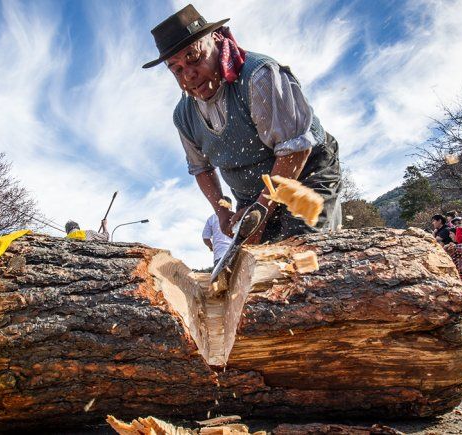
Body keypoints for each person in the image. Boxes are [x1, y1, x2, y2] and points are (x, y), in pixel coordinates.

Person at [143, 5, 342, 244]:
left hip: (303, 178)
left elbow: (295, 149)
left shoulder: (258, 77)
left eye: (193, 57)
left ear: (215, 40)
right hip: (251, 196)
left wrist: (260, 211)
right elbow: (201, 168)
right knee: (246, 265)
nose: (188, 75)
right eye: (177, 70)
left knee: (300, 253)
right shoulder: (183, 115)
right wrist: (222, 211)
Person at [202, 196, 234, 266]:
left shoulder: (212, 218)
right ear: (230, 205)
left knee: (222, 276)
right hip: (236, 254)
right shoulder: (235, 216)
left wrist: (211, 247)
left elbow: (206, 238)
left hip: (220, 255)